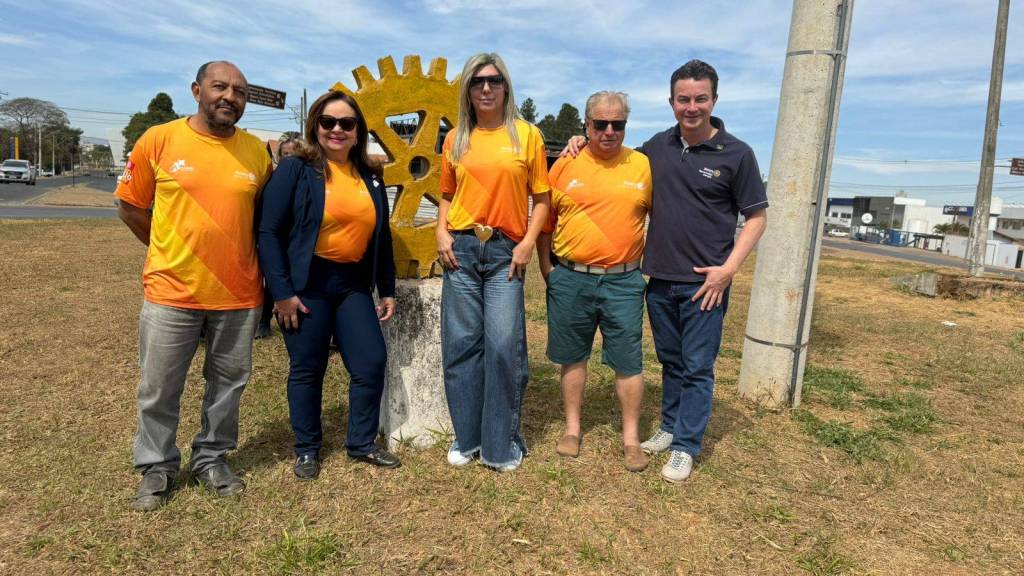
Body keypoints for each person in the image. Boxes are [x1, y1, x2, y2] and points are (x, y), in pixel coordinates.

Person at [565, 60, 768, 483]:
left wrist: (728, 270)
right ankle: (671, 425)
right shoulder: (656, 148)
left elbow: (756, 218)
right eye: (683, 99)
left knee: (697, 367)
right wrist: (579, 140)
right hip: (658, 279)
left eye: (700, 99)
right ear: (671, 102)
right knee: (671, 361)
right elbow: (612, 152)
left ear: (714, 100)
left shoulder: (736, 154)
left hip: (705, 284)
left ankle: (686, 446)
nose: (692, 107)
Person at [116, 61, 272, 511]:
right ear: (197, 90)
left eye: (239, 91)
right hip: (172, 292)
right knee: (159, 387)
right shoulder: (159, 139)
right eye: (220, 87)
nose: (230, 97)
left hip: (239, 293)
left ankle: (211, 458)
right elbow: (130, 205)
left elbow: (266, 220)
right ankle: (157, 466)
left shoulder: (257, 153)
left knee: (228, 385)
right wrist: (167, 248)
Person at [258, 90, 399, 480]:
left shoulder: (370, 177)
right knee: (308, 367)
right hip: (307, 283)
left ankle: (361, 443)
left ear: (358, 131)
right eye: (328, 122)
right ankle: (307, 449)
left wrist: (386, 288)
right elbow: (269, 232)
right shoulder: (296, 170)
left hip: (352, 284)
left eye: (346, 123)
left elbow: (383, 238)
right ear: (315, 126)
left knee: (370, 361)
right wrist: (282, 293)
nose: (337, 129)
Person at [437, 53, 551, 472]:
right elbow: (447, 195)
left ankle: (500, 445)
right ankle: (467, 438)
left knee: (503, 347)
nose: (486, 88)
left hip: (506, 252)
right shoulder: (456, 139)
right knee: (461, 345)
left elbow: (542, 200)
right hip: (462, 250)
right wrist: (440, 231)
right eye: (477, 81)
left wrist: (527, 244)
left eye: (494, 80)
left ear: (506, 87)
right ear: (467, 89)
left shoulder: (527, 136)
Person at [536, 91, 652, 473]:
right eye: (600, 123)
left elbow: (664, 218)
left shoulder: (642, 165)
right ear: (586, 125)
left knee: (629, 360)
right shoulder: (564, 164)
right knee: (573, 356)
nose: (609, 131)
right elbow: (544, 222)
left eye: (618, 124)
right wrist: (548, 269)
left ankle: (631, 439)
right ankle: (572, 429)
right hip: (571, 278)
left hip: (623, 281)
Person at [255, 133, 303, 340]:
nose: (290, 158)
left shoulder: (308, 179)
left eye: (295, 154)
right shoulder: (271, 179)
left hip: (296, 239)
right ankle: (263, 321)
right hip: (274, 237)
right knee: (271, 280)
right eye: (286, 154)